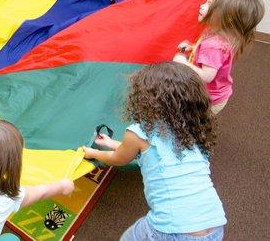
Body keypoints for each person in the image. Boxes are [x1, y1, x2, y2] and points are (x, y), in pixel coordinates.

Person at [83, 62, 226, 240]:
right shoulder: (192, 130)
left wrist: (93, 153)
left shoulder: (139, 132)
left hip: (172, 230)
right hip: (214, 225)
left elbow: (119, 158)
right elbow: (154, 152)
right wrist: (112, 143)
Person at [173, 0, 264, 114]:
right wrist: (192, 48)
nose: (202, 6)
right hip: (213, 93)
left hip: (209, 98)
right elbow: (213, 57)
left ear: (226, 17)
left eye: (209, 4)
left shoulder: (214, 45)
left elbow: (207, 76)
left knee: (194, 123)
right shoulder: (218, 31)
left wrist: (183, 62)